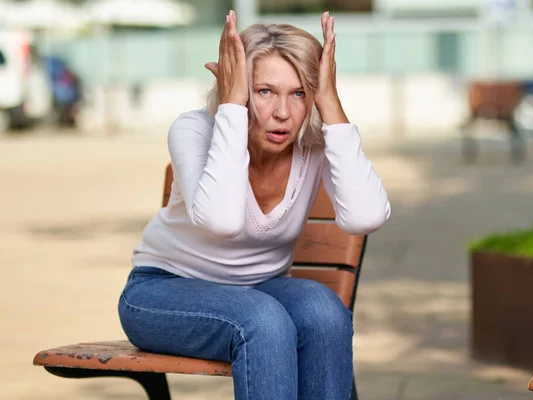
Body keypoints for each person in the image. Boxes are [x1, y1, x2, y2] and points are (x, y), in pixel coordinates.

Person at [118, 10, 391, 400]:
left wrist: (330, 103)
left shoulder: (312, 140)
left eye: (299, 93)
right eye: (264, 91)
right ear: (239, 86)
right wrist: (232, 106)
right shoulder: (195, 129)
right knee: (263, 322)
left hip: (261, 289)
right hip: (162, 292)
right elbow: (222, 220)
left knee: (324, 313)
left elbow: (367, 215)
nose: (283, 113)